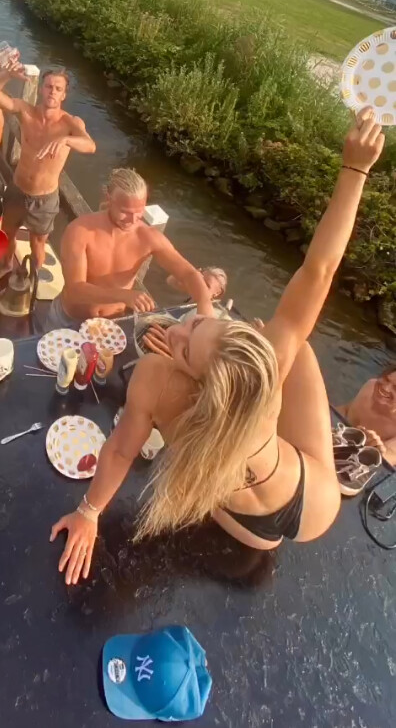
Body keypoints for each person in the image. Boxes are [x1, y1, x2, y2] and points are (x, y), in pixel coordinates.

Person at [50, 109, 385, 584]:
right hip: (306, 505)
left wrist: (89, 512)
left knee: (276, 357)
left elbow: (122, 452)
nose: (176, 331)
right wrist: (356, 170)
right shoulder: (263, 371)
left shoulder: (156, 381)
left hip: (237, 511)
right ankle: (337, 440)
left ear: (202, 380)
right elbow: (319, 270)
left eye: (186, 343)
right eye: (195, 326)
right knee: (297, 343)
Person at [45, 168, 218, 330]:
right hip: (70, 319)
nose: (133, 219)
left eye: (139, 211)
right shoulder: (79, 231)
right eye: (125, 211)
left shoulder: (148, 237)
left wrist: (205, 304)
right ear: (108, 198)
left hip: (110, 324)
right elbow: (75, 290)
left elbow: (188, 273)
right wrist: (123, 295)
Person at [0, 65, 96, 272]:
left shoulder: (70, 123)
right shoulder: (25, 111)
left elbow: (90, 146)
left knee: (37, 244)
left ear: (63, 95)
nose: (52, 91)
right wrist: (7, 74)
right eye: (49, 86)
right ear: (41, 89)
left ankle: (33, 277)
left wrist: (66, 139)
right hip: (17, 189)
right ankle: (6, 266)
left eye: (58, 89)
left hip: (44, 198)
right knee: (8, 233)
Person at [337, 365, 396, 465]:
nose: (386, 388)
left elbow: (384, 461)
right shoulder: (370, 386)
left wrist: (375, 449)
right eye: (386, 379)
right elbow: (344, 410)